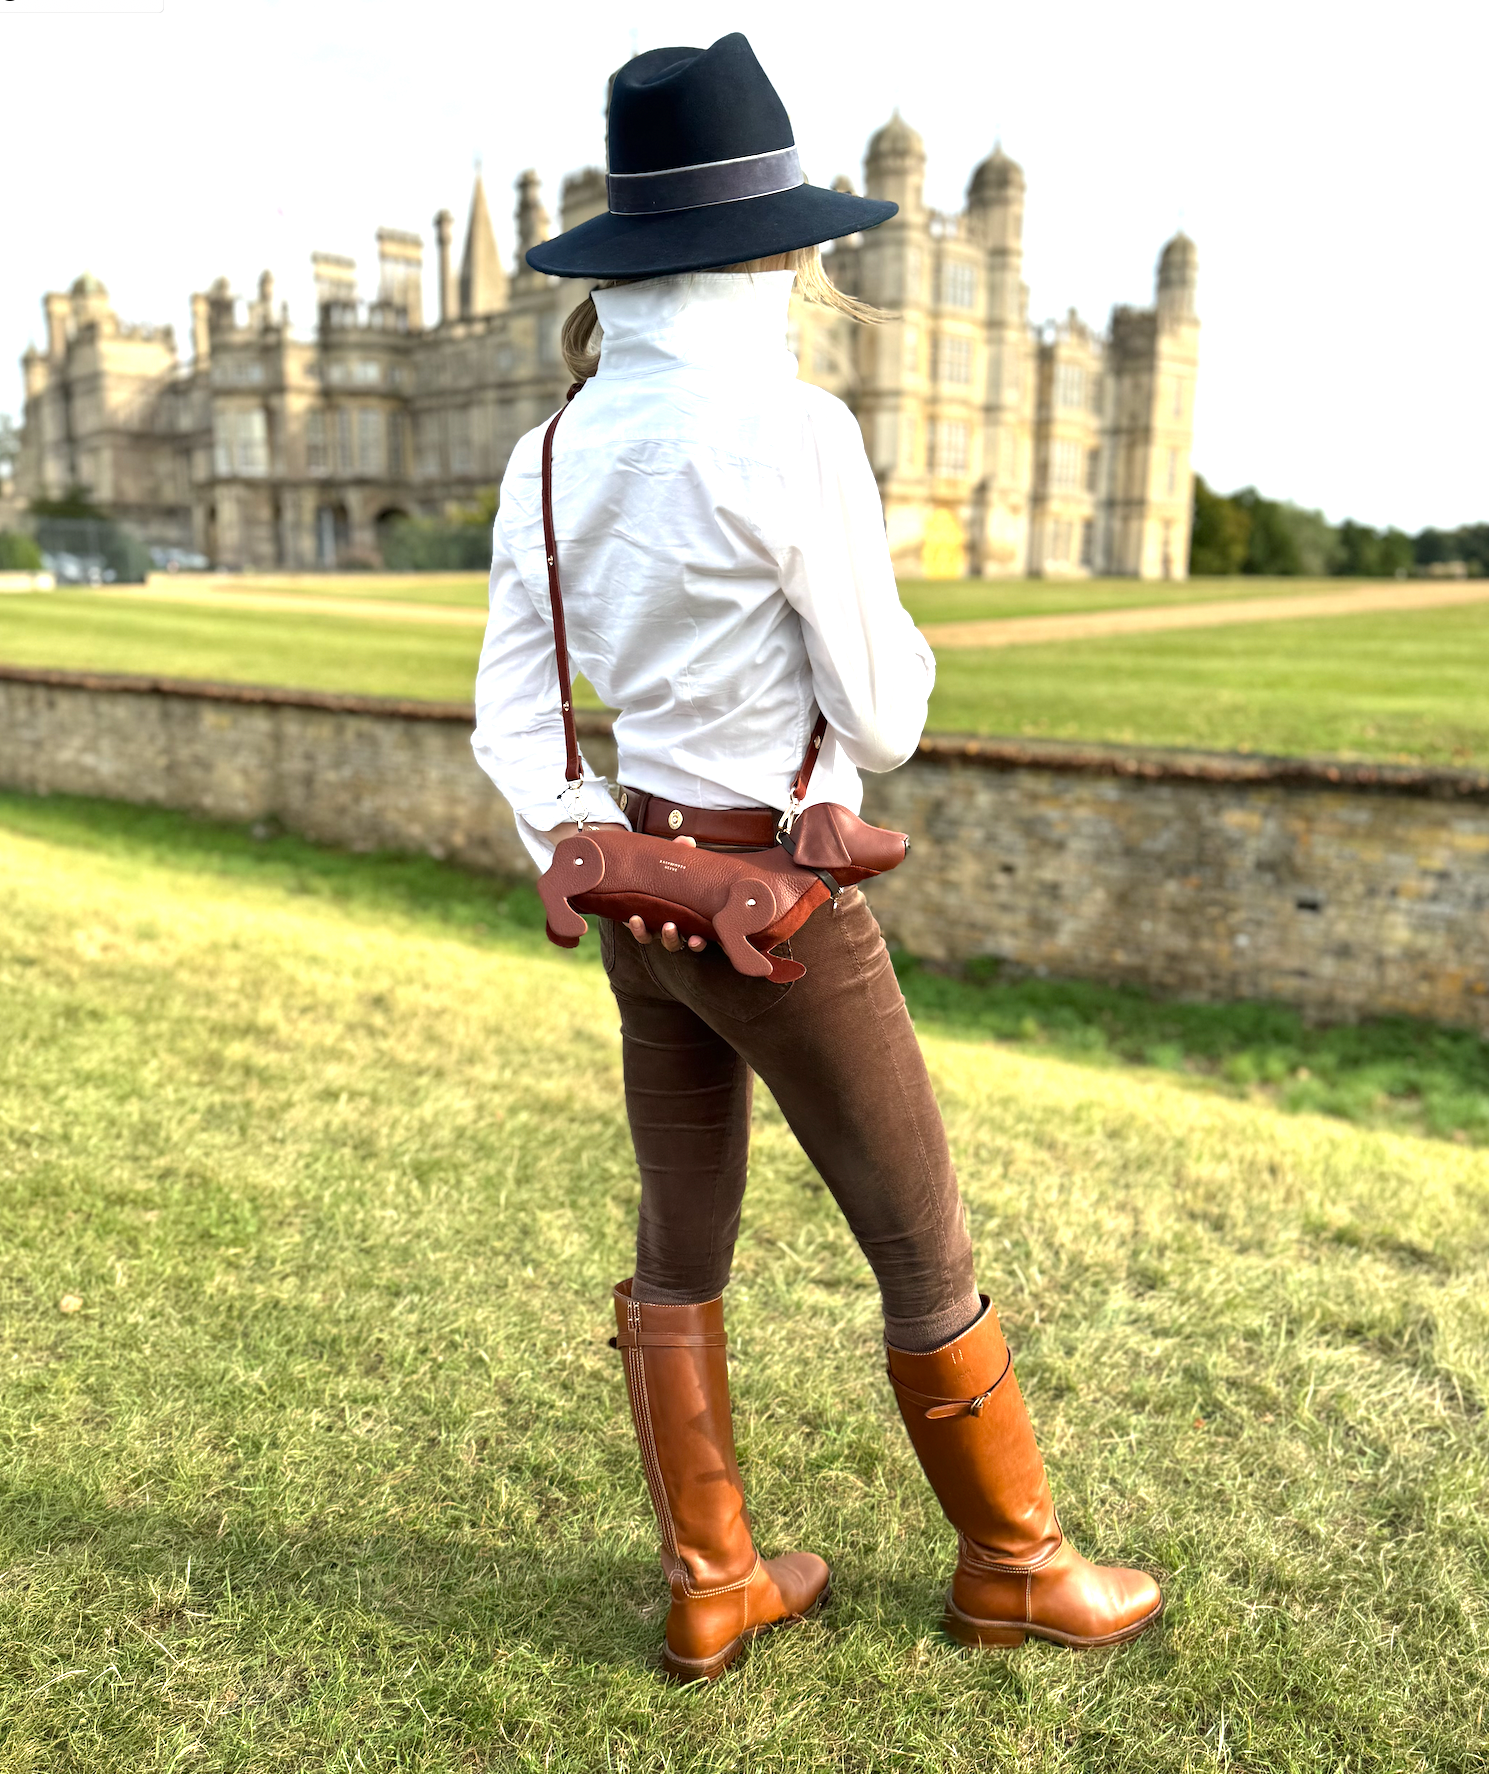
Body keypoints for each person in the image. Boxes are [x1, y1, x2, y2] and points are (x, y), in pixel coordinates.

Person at [473, 33, 1161, 1682]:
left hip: (640, 891)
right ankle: (1014, 1562)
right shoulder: (793, 431)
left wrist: (596, 847)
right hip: (786, 913)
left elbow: (518, 715)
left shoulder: (549, 449)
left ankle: (716, 1577)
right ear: (772, 244)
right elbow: (886, 708)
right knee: (921, 1243)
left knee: (680, 1239)